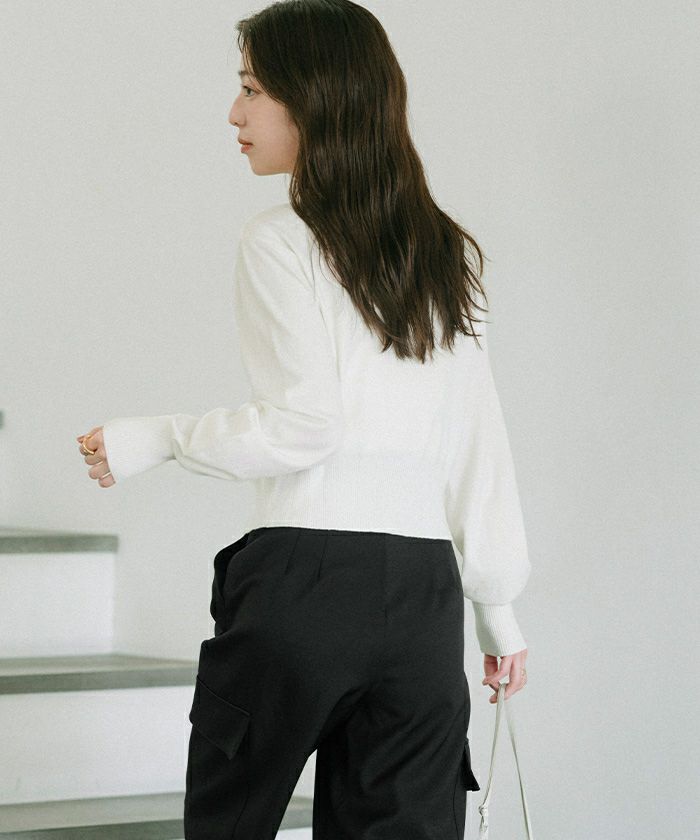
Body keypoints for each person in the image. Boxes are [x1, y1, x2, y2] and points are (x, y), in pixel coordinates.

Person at [76, 2, 531, 837]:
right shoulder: (443, 251)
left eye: (252, 89)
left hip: (305, 582)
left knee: (231, 822)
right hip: (425, 600)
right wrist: (497, 608)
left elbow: (303, 425)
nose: (234, 112)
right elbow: (477, 438)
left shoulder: (279, 240)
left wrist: (158, 438)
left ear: (315, 100)